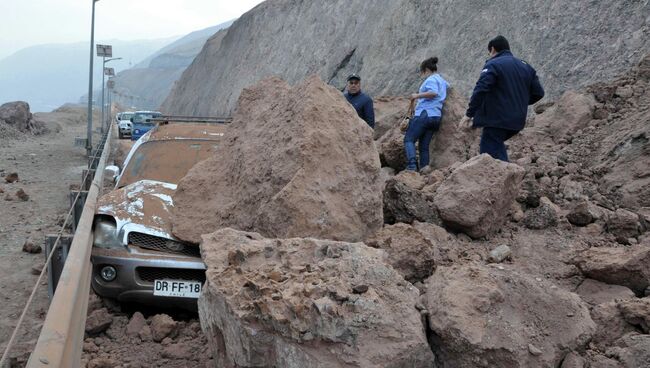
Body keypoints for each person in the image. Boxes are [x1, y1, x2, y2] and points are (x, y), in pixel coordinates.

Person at [459, 35, 545, 162]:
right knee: (496, 146)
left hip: (497, 120)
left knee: (489, 156)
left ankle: (503, 178)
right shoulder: (526, 67)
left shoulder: (493, 64)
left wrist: (469, 114)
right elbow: (539, 93)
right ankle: (507, 174)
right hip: (517, 120)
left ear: (492, 49)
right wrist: (518, 102)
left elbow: (481, 89)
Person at [404, 57, 448, 171]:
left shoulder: (430, 80)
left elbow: (433, 92)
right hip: (435, 117)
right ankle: (424, 168)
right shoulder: (442, 81)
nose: (422, 75)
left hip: (425, 114)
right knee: (424, 146)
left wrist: (416, 96)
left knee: (409, 139)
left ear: (427, 70)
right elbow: (448, 87)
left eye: (422, 72)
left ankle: (412, 166)